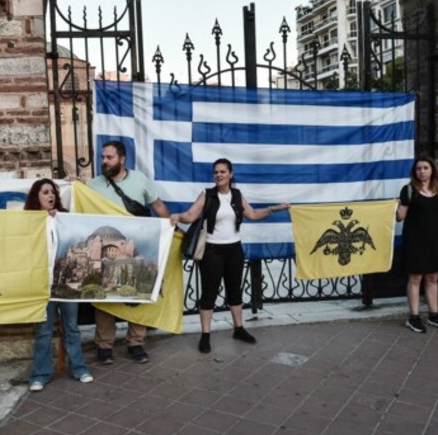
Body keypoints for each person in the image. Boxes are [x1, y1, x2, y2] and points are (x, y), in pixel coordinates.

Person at [170, 158, 290, 353]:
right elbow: (191, 215)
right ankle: (205, 335)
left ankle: (239, 328)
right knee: (209, 293)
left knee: (235, 290)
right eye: (216, 172)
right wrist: (178, 217)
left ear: (230, 174)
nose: (218, 175)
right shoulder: (207, 194)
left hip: (234, 249)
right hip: (211, 251)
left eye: (222, 172)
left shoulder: (237, 195)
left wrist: (273, 209)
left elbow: (251, 214)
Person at [86, 140, 171, 364]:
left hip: (136, 247)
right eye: (103, 157)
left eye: (109, 157)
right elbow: (79, 211)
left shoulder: (140, 180)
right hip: (106, 251)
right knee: (104, 297)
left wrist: (172, 227)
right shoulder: (93, 186)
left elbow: (158, 207)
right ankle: (104, 345)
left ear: (122, 159)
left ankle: (136, 342)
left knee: (138, 293)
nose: (104, 161)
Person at [25, 179, 93, 391]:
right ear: (36, 196)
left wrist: (60, 222)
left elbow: (77, 243)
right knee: (43, 331)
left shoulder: (65, 219)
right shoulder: (28, 221)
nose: (50, 196)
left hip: (66, 284)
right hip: (43, 284)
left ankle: (79, 368)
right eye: (45, 192)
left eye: (53, 192)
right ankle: (40, 374)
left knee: (72, 327)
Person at [396, 154, 438, 333]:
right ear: (415, 171)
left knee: (433, 278)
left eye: (425, 168)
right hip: (415, 240)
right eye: (419, 168)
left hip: (436, 240)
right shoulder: (408, 190)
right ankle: (413, 317)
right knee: (415, 278)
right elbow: (401, 217)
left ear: (432, 170)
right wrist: (395, 207)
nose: (422, 171)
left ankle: (434, 315)